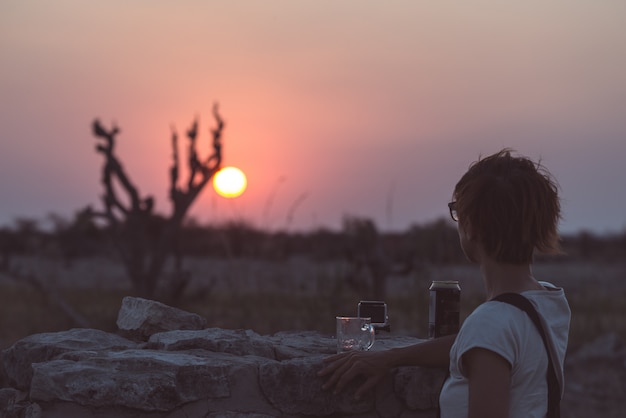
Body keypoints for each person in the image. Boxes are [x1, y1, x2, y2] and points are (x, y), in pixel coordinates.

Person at [318, 149, 571, 418]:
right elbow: (480, 344)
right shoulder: (549, 301)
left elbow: (489, 337)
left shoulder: (492, 322)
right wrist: (392, 358)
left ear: (472, 227)